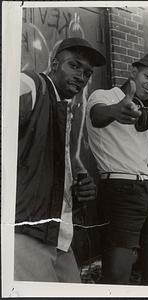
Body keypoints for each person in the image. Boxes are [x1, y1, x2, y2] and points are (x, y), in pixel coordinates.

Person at [14, 37, 106, 282]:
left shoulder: (64, 109)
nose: (81, 76)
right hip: (27, 233)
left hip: (59, 237)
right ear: (54, 65)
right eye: (74, 66)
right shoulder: (32, 85)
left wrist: (74, 192)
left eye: (87, 73)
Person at [86, 52, 148, 285]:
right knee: (118, 274)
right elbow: (98, 116)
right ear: (133, 72)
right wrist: (117, 110)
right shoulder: (104, 96)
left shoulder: (145, 112)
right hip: (119, 188)